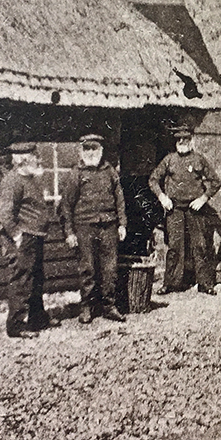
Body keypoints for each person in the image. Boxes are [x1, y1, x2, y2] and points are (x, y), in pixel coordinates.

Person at [60, 134, 127, 324]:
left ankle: (109, 306)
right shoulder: (76, 173)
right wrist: (69, 232)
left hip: (108, 225)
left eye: (94, 148)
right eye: (87, 148)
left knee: (110, 268)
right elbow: (66, 206)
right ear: (81, 151)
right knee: (87, 268)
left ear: (101, 150)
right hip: (84, 227)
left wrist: (122, 224)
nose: (91, 152)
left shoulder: (109, 171)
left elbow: (119, 199)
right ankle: (87, 307)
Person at [149, 126, 221, 295]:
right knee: (175, 246)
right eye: (179, 140)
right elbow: (153, 180)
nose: (182, 143)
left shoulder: (199, 160)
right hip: (175, 209)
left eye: (186, 139)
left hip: (194, 210)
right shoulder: (169, 160)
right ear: (175, 142)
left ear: (191, 141)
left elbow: (216, 181)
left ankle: (205, 284)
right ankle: (170, 283)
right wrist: (162, 198)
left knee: (200, 246)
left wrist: (203, 199)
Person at [0, 142, 58, 338]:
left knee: (36, 278)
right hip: (23, 238)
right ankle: (16, 325)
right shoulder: (12, 181)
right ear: (23, 159)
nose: (39, 159)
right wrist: (16, 235)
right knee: (22, 279)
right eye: (35, 156)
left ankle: (37, 318)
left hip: (35, 236)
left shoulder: (30, 179)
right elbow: (5, 214)